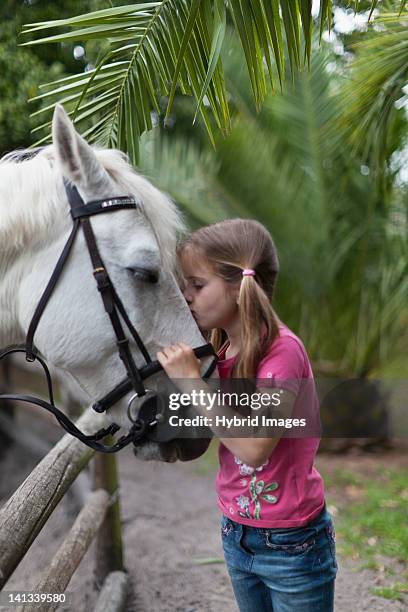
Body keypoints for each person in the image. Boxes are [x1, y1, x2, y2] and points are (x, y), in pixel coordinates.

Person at [156, 218, 338, 611]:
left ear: (239, 287)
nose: (186, 295)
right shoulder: (219, 352)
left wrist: (192, 384)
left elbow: (255, 447)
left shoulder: (282, 353)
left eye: (197, 285)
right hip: (236, 531)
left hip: (292, 543)